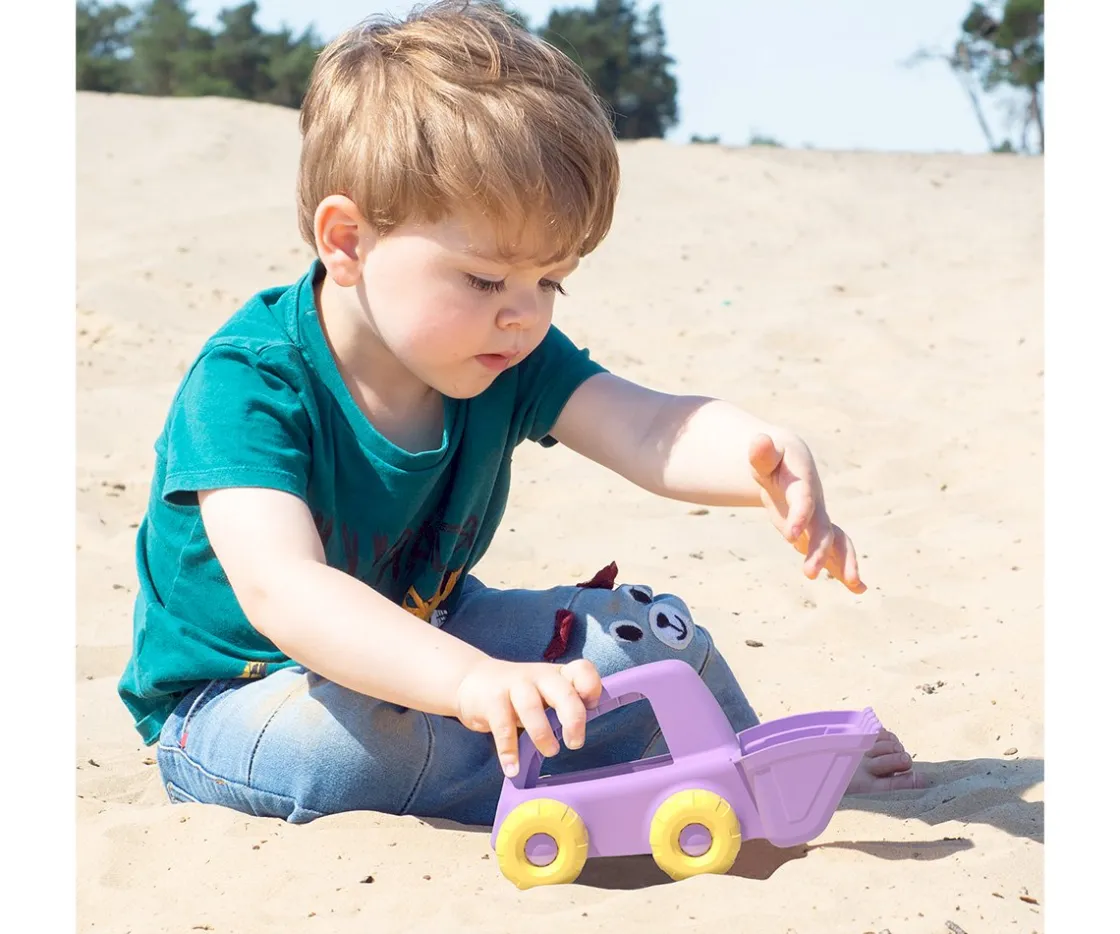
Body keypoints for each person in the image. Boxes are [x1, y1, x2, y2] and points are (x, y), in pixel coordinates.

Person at [118, 0, 924, 827]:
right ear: (349, 241)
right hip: (242, 699)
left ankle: (744, 764)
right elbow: (285, 589)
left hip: (441, 634)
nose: (524, 314)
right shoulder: (250, 383)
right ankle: (616, 776)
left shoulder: (501, 354)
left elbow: (646, 428)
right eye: (484, 279)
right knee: (354, 748)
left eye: (551, 281)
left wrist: (758, 454)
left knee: (647, 634)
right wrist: (470, 680)